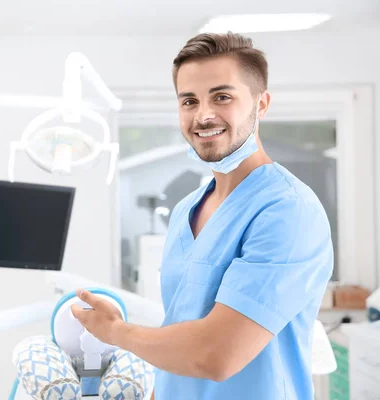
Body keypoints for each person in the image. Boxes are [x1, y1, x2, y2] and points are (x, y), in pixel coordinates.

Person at [71, 32, 333, 400]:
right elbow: (181, 330)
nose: (203, 114)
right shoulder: (185, 210)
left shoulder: (288, 211)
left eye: (222, 97)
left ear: (262, 104)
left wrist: (114, 332)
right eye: (189, 101)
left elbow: (216, 355)